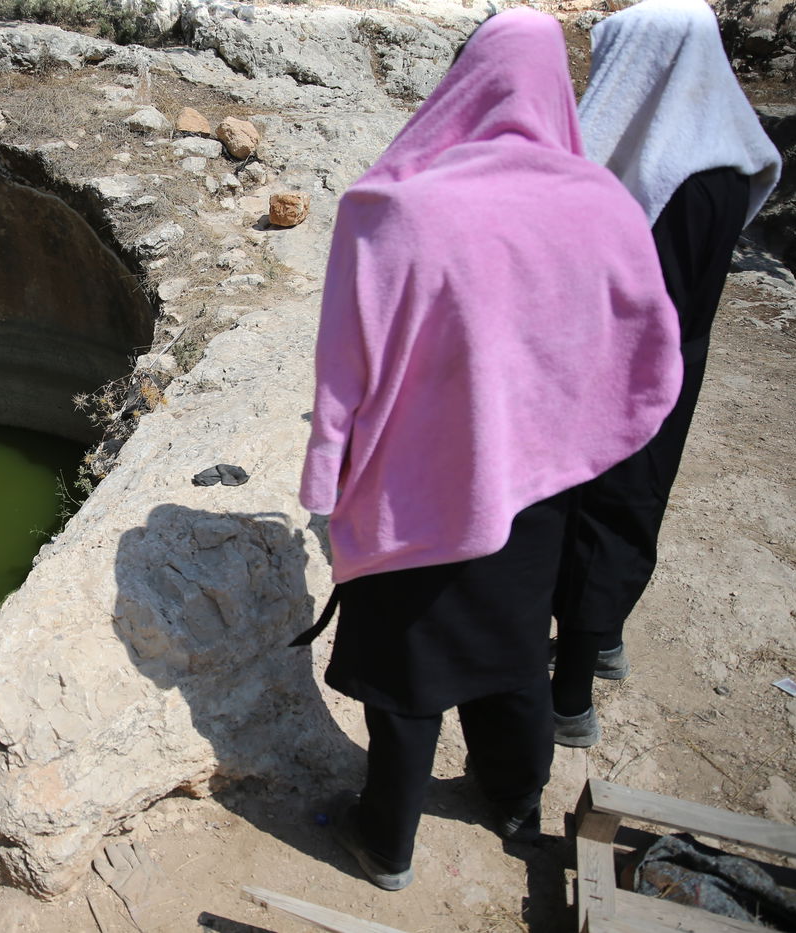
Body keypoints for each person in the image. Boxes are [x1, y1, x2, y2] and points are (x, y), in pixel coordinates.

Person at [297, 9, 682, 891]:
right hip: (536, 482)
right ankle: (512, 798)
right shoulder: (601, 203)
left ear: (463, 79)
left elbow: (344, 367)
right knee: (513, 643)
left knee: (410, 659)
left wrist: (327, 476)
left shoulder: (392, 208)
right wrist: (579, 434)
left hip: (413, 487)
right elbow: (646, 339)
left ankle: (387, 840)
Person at [550, 0, 782, 748]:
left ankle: (569, 699)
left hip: (624, 368)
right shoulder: (725, 161)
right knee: (638, 503)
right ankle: (606, 638)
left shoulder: (667, 175)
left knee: (598, 513)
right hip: (681, 359)